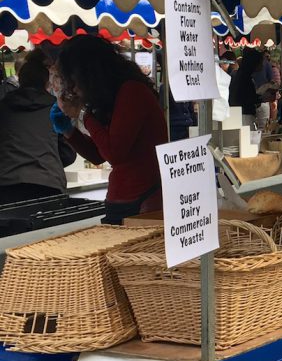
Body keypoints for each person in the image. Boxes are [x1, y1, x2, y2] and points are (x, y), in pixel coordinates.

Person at [51, 35, 166, 222]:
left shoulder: (132, 92)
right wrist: (68, 131)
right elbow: (99, 154)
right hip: (124, 199)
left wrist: (82, 114)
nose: (73, 89)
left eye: (74, 80)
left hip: (142, 200)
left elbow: (114, 152)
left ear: (89, 74)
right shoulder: (114, 96)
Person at [0, 50, 77, 205]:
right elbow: (68, 153)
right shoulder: (55, 110)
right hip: (48, 184)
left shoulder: (3, 108)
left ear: (20, 80)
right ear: (46, 83)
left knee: (13, 229)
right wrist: (46, 160)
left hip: (7, 185)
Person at [228, 47, 264, 119]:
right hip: (244, 115)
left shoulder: (241, 75)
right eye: (261, 63)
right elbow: (247, 98)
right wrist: (262, 98)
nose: (262, 65)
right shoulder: (244, 78)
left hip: (239, 114)